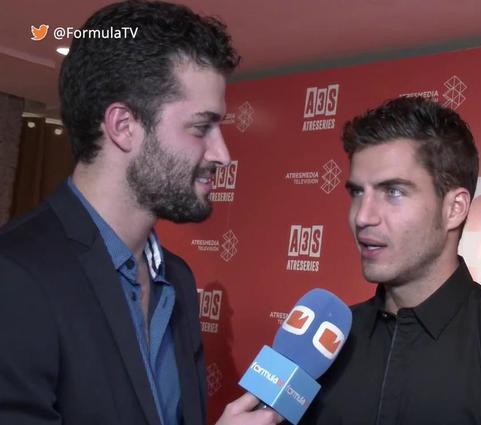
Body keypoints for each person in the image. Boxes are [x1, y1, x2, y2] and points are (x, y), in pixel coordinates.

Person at [0, 2, 279, 425]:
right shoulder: (15, 276)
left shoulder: (177, 280)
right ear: (123, 126)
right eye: (201, 127)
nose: (222, 154)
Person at [300, 97, 481, 424]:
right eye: (357, 193)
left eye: (393, 192)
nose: (362, 216)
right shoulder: (323, 344)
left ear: (454, 209)